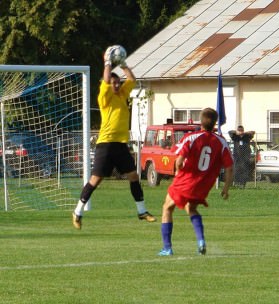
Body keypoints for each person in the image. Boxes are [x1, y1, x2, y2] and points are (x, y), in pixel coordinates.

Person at [72, 46, 156, 229]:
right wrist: (108, 63)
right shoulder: (105, 97)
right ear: (109, 84)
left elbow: (132, 79)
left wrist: (124, 64)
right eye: (114, 83)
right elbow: (106, 79)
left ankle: (142, 211)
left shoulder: (122, 94)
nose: (117, 85)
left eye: (118, 83)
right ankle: (77, 212)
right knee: (96, 180)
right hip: (106, 144)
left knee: (134, 176)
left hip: (120, 145)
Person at [158, 108, 234, 256]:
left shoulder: (191, 137)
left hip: (186, 180)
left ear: (201, 121)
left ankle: (167, 248)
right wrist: (226, 188)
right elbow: (230, 168)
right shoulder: (221, 141)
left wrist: (178, 175)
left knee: (167, 207)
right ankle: (201, 241)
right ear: (214, 123)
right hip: (203, 185)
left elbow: (179, 161)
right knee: (191, 208)